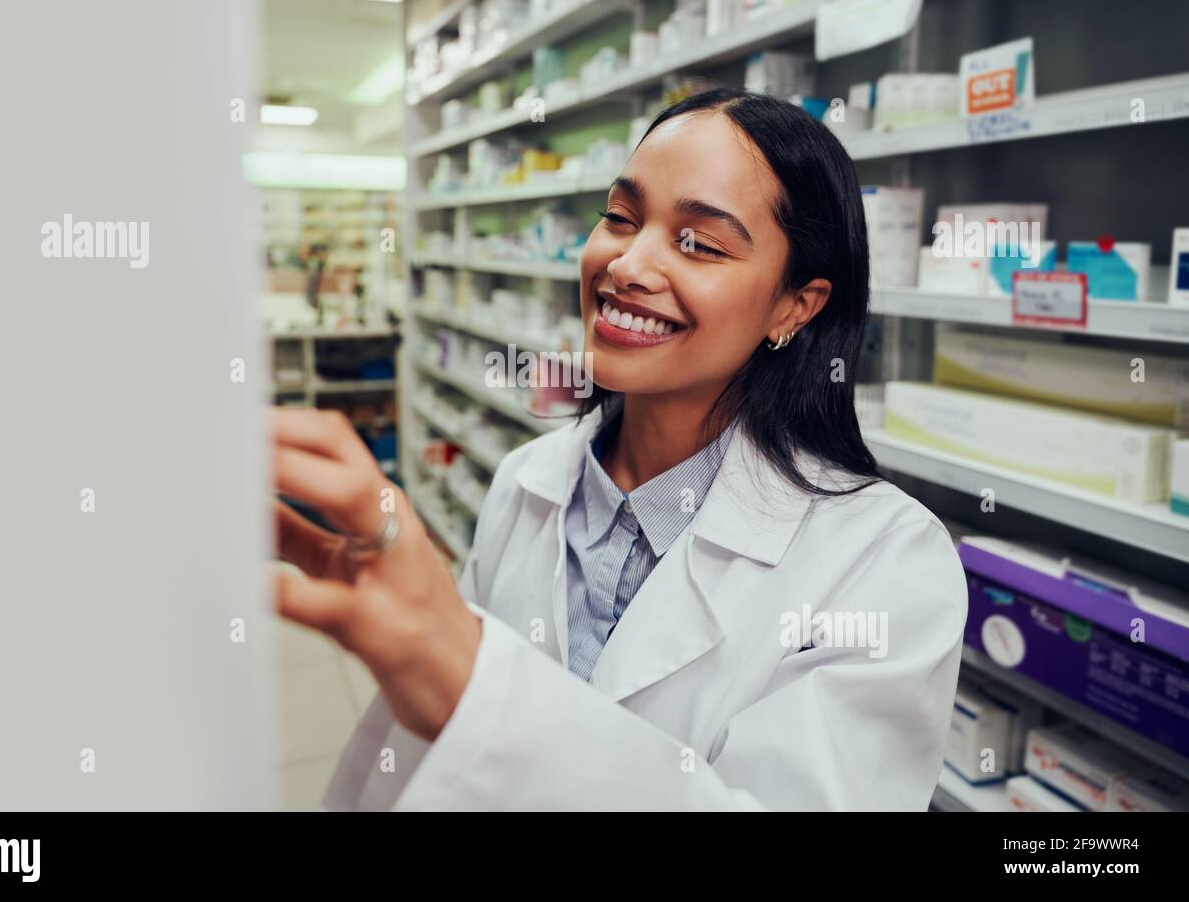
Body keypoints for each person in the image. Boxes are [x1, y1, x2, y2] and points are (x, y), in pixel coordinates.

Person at [270, 89, 968, 810]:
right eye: (620, 218)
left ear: (796, 305)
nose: (627, 264)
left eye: (699, 241)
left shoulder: (886, 564)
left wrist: (473, 686)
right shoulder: (527, 481)